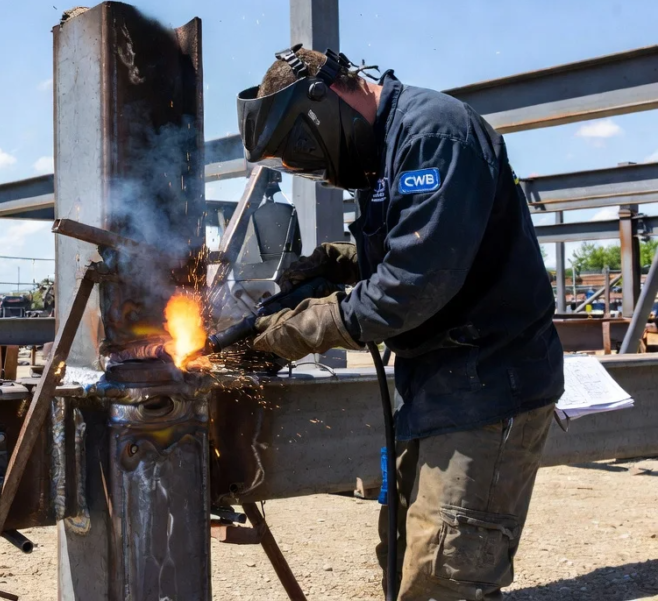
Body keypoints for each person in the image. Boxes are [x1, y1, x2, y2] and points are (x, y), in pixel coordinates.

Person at [237, 45, 564, 600]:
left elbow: (415, 283)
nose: (317, 172)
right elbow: (418, 248)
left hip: (487, 385)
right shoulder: (384, 151)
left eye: (304, 154)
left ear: (324, 101)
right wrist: (341, 262)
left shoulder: (434, 134)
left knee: (443, 577)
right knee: (401, 556)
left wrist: (302, 329)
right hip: (436, 386)